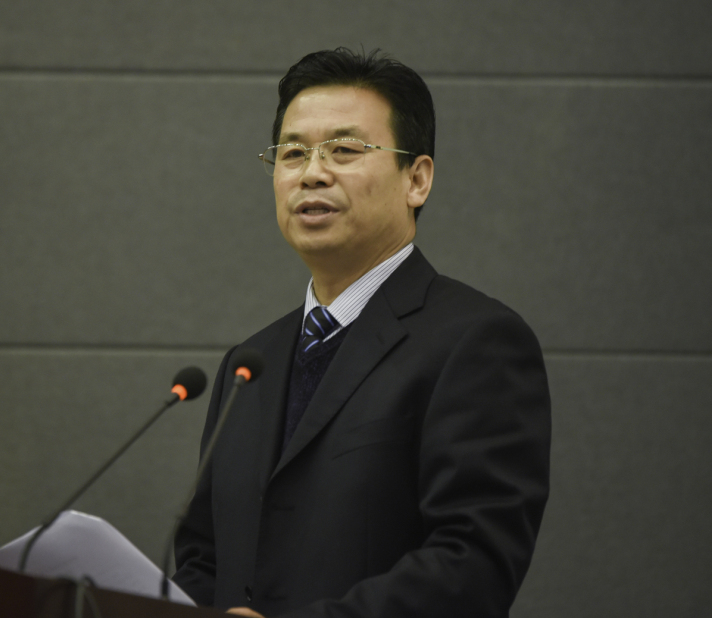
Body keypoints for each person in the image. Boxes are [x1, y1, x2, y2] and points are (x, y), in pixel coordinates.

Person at [172, 48, 551, 618]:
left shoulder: (476, 343)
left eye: (345, 150)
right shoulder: (249, 365)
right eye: (292, 153)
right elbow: (204, 560)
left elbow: (472, 565)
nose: (312, 173)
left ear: (416, 179)